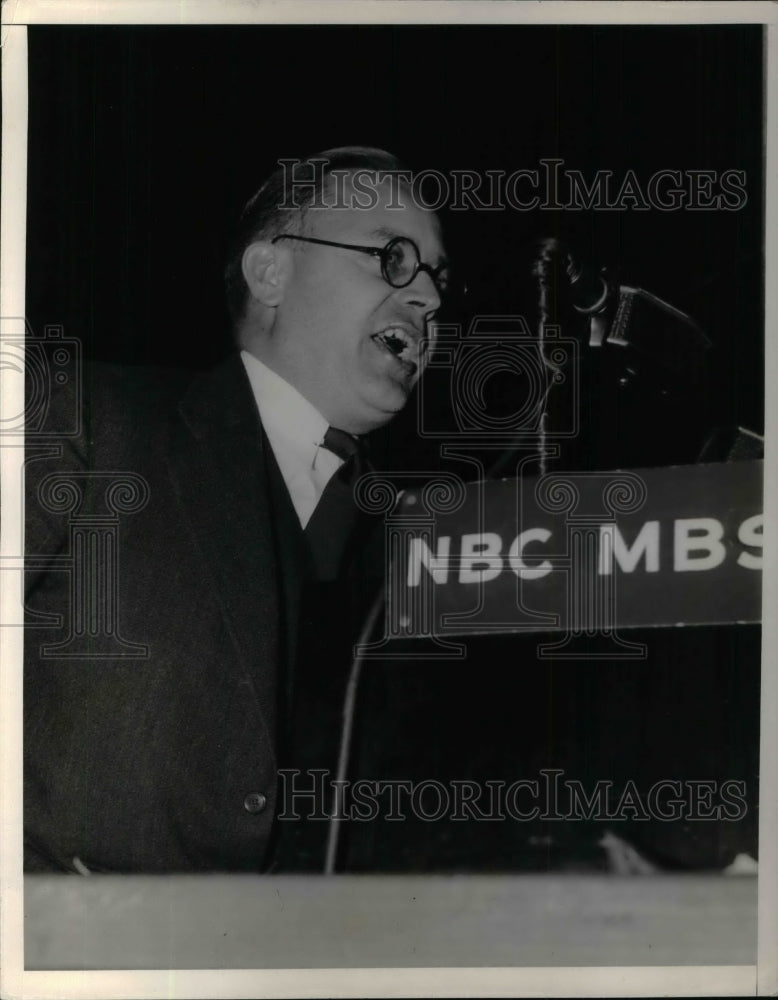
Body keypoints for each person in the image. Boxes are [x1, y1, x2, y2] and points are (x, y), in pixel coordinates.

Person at [23, 147, 449, 873]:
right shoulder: (80, 418)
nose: (432, 298)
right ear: (270, 272)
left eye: (439, 276)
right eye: (393, 256)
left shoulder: (417, 543)